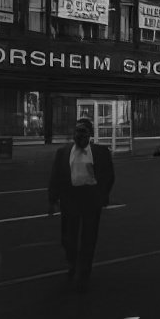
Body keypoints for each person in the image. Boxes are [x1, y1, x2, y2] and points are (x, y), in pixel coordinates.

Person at [48, 118, 115, 290]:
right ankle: (72, 261)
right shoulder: (63, 152)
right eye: (77, 131)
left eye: (84, 131)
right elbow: (56, 176)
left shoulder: (100, 152)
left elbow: (108, 176)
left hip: (91, 200)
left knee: (89, 237)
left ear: (90, 134)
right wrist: (52, 199)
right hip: (70, 199)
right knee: (68, 237)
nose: (80, 135)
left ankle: (84, 270)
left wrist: (103, 195)